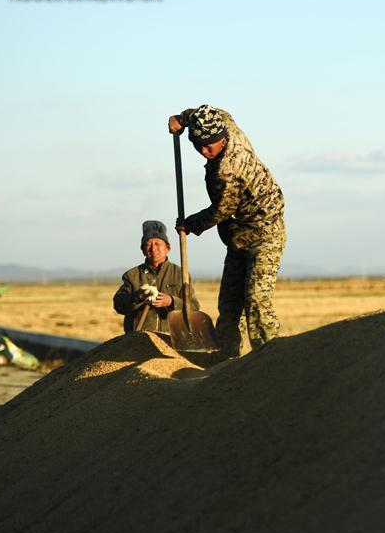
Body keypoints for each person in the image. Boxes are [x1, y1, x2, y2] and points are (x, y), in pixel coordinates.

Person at [168, 105, 286, 358]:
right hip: (238, 236)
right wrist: (182, 118)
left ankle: (271, 361)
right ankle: (226, 363)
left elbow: (222, 209)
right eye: (198, 145)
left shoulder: (228, 170)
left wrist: (191, 224)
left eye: (208, 146)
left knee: (256, 300)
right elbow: (210, 111)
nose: (203, 151)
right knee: (229, 305)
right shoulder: (223, 123)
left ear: (221, 138)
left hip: (265, 233)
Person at [113, 220, 200, 334]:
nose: (153, 249)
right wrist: (138, 297)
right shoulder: (132, 276)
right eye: (148, 245)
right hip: (139, 341)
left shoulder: (181, 274)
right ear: (143, 250)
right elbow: (119, 305)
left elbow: (194, 308)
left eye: (158, 244)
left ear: (167, 249)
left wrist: (171, 302)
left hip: (173, 340)